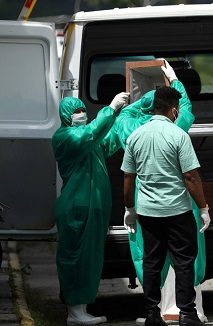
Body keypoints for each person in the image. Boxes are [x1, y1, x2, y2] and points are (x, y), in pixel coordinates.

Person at [110, 61, 209, 324]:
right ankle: (188, 313)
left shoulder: (132, 132)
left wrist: (129, 209)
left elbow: (128, 178)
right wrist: (175, 81)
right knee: (185, 261)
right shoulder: (179, 130)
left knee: (152, 262)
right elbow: (190, 175)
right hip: (178, 208)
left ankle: (152, 313)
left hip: (147, 210)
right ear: (172, 110)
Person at [52, 92, 129, 325]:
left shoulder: (90, 141)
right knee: (75, 258)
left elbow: (108, 138)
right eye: (75, 111)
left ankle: (81, 310)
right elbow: (91, 133)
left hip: (93, 207)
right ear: (66, 115)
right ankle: (74, 312)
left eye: (82, 110)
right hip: (76, 206)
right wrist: (110, 108)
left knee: (90, 259)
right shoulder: (64, 137)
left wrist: (126, 114)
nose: (81, 114)